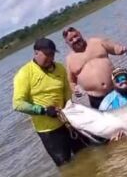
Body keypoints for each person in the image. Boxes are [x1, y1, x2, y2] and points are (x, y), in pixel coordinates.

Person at [12, 38, 86, 167]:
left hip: (68, 122)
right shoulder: (24, 73)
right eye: (47, 54)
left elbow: (67, 91)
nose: (50, 58)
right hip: (49, 131)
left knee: (86, 154)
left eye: (52, 54)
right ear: (36, 53)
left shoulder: (60, 68)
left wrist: (69, 106)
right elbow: (18, 104)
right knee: (66, 166)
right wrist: (44, 110)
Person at [63, 27, 127, 109]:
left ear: (79, 33)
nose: (75, 40)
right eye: (71, 40)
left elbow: (114, 48)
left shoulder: (96, 42)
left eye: (75, 36)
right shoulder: (69, 60)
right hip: (96, 99)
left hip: (116, 88)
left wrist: (121, 49)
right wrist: (75, 90)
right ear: (67, 43)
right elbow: (71, 81)